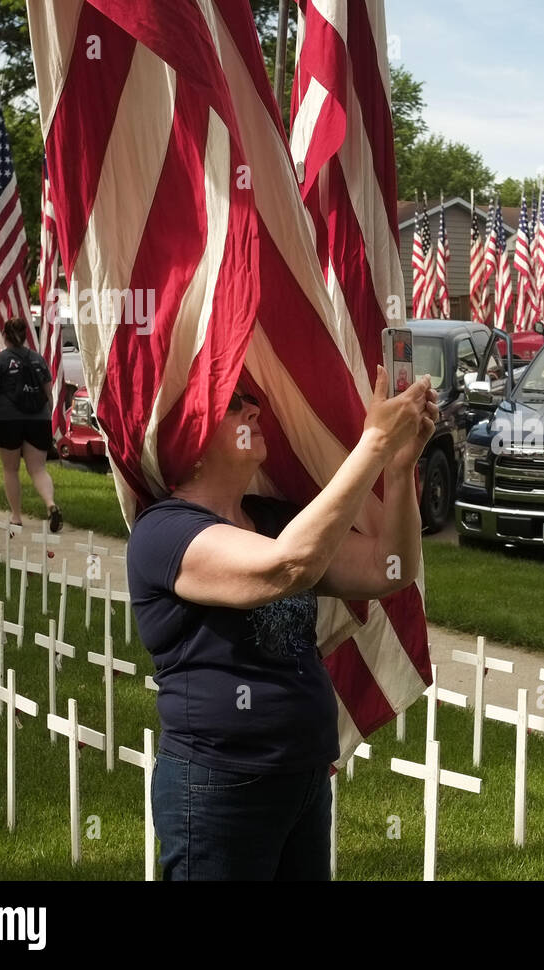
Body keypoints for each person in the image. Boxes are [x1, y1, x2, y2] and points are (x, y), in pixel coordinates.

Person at [127, 367, 437, 881]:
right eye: (234, 404)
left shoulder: (272, 519)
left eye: (253, 401)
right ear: (193, 440)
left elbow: (390, 568)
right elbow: (286, 568)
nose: (255, 410)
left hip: (302, 778)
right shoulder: (164, 531)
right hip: (219, 787)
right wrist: (376, 442)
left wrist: (401, 467)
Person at [0, 317, 62, 534]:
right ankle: (50, 503)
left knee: (10, 469)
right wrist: (52, 422)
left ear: (5, 336)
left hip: (8, 419)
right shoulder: (38, 360)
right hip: (39, 420)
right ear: (25, 336)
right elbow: (49, 394)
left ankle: (16, 517)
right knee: (38, 469)